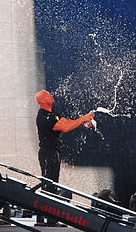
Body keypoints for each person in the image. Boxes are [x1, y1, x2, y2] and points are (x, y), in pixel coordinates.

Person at [35, 89, 94, 226]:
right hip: (48, 152)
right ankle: (49, 218)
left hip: (53, 152)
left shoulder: (52, 113)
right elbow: (64, 128)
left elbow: (66, 122)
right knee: (49, 184)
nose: (51, 95)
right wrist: (82, 119)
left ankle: (49, 217)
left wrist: (83, 119)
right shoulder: (44, 116)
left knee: (52, 183)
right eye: (48, 95)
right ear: (43, 101)